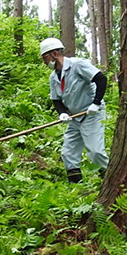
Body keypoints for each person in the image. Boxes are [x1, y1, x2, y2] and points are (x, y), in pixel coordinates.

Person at [40, 37, 109, 183]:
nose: (45, 62)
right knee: (68, 153)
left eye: (45, 58)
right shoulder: (54, 77)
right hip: (74, 117)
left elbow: (101, 79)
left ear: (54, 54)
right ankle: (76, 188)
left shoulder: (78, 65)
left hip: (91, 113)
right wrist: (63, 113)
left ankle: (111, 180)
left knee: (95, 152)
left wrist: (96, 103)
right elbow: (56, 99)